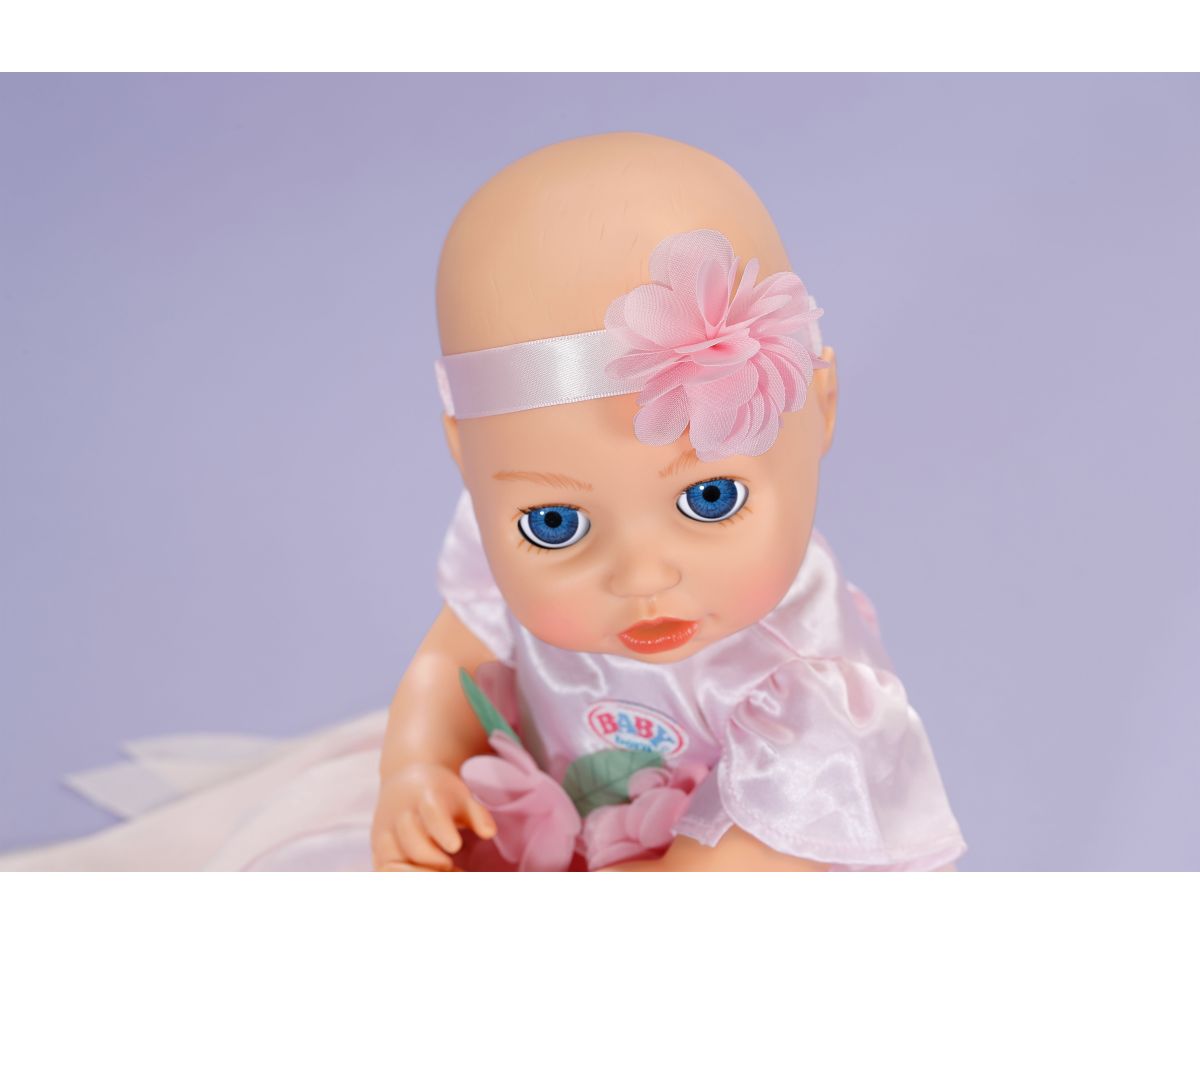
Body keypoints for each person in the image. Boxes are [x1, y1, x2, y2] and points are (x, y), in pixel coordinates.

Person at [0, 131, 964, 872]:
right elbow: (451, 655)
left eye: (709, 497)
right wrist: (417, 768)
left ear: (821, 407)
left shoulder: (811, 698)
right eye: (557, 523)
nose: (641, 574)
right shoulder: (507, 559)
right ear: (467, 460)